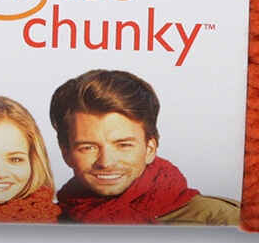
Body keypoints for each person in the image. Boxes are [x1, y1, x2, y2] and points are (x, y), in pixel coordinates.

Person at [48, 70, 241, 225]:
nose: (106, 162)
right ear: (66, 153)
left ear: (150, 149)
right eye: (88, 147)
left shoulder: (219, 219)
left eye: (124, 145)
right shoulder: (49, 221)